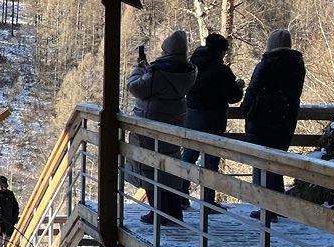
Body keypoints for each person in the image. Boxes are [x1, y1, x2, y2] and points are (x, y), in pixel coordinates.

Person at [127, 30, 197, 224]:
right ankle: (173, 212)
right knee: (169, 167)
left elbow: (136, 87)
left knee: (149, 167)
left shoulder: (159, 71)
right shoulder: (188, 70)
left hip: (151, 121)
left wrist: (139, 69)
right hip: (174, 122)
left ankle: (158, 213)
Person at [242, 29, 306, 222]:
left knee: (261, 162)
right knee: (276, 163)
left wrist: (245, 109)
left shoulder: (267, 64)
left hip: (262, 119)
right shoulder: (298, 65)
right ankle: (278, 205)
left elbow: (253, 90)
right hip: (286, 119)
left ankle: (266, 208)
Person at [180, 33, 245, 209]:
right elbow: (233, 97)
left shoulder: (192, 65)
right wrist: (239, 86)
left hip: (191, 117)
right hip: (213, 119)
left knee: (188, 157)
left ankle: (181, 196)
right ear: (220, 51)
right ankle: (207, 202)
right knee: (210, 161)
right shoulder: (221, 70)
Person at [0, 175, 20, 240]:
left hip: (8, 228)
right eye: (2, 186)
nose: (4, 188)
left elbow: (15, 208)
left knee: (9, 245)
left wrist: (13, 221)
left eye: (5, 186)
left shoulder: (10, 194)